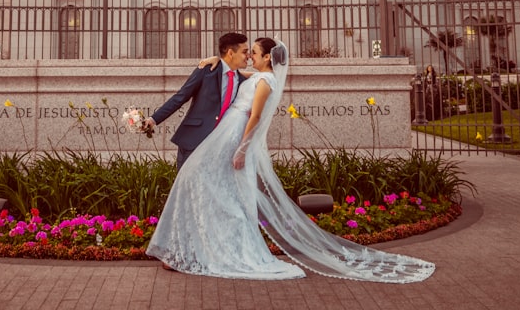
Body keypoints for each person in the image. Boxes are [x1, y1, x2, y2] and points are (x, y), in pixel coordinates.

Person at [146, 38, 435, 283]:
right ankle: (184, 249)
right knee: (198, 187)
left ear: (267, 57)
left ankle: (214, 251)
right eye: (246, 52)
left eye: (254, 53)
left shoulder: (265, 80)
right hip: (215, 138)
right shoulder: (246, 75)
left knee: (226, 197)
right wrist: (216, 59)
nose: (249, 57)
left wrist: (243, 149)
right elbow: (222, 76)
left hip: (232, 139)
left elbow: (256, 115)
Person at [146, 32, 248, 169]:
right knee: (187, 189)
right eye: (244, 52)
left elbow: (267, 75)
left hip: (221, 147)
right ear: (230, 53)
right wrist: (153, 120)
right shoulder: (207, 70)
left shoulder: (243, 81)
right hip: (194, 141)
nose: (248, 56)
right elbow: (181, 97)